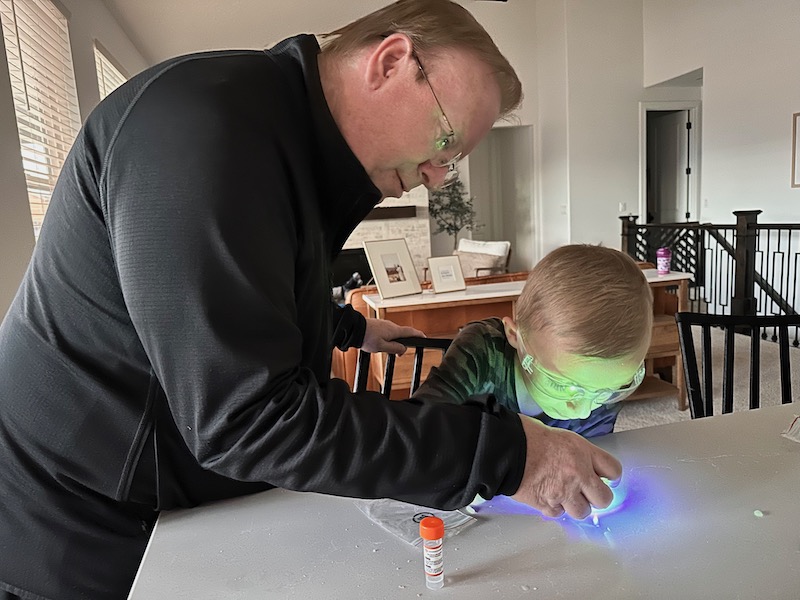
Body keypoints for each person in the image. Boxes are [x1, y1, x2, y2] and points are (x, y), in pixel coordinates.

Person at [0, 1, 621, 598]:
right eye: (447, 141)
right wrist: (509, 454)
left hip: (161, 504)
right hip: (77, 529)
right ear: (391, 62)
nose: (439, 173)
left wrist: (348, 329)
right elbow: (248, 419)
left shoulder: (279, 141)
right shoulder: (206, 132)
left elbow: (240, 298)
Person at [413, 245, 653, 439]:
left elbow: (593, 457)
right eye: (562, 386)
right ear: (516, 336)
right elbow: (418, 433)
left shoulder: (599, 386)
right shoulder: (482, 353)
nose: (583, 410)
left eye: (608, 392)